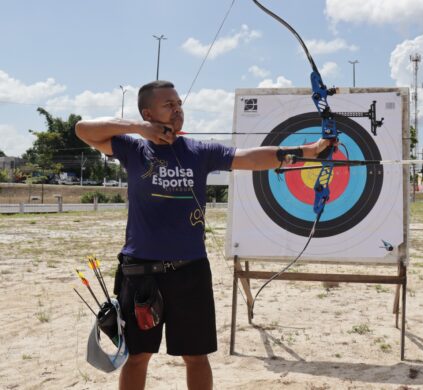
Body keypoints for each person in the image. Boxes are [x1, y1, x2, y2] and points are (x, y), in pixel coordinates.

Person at [75, 80, 333, 390]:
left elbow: (251, 158)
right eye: (168, 104)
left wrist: (306, 151)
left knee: (196, 356)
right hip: (141, 272)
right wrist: (138, 129)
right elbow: (82, 129)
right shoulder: (132, 148)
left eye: (179, 103)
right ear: (148, 112)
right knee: (139, 355)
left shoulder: (200, 151)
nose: (177, 108)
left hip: (190, 271)